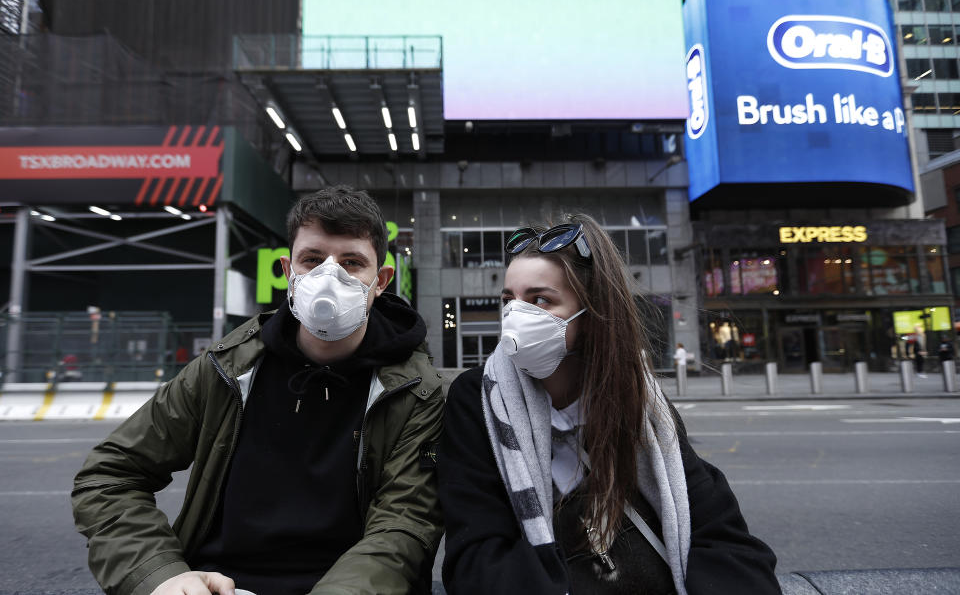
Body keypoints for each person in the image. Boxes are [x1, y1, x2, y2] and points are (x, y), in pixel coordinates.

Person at [72, 186, 444, 595]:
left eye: (352, 262)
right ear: (289, 272)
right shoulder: (225, 369)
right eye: (313, 260)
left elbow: (404, 524)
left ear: (381, 281)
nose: (329, 276)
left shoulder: (418, 393)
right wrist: (161, 577)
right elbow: (110, 474)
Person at [438, 214, 779, 595]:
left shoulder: (639, 398)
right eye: (509, 300)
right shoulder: (479, 399)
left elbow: (719, 532)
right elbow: (477, 558)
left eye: (540, 300)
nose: (516, 316)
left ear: (592, 312)